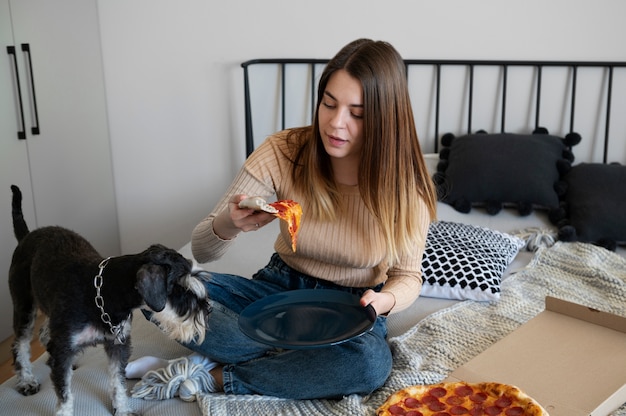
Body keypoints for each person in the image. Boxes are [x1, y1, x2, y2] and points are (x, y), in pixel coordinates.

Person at [127, 38, 437, 401]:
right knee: (154, 281)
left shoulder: (405, 185)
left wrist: (383, 302)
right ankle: (298, 362)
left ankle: (215, 376)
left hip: (353, 308)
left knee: (368, 364)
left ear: (385, 119)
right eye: (329, 104)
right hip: (276, 291)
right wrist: (229, 224)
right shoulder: (284, 151)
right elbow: (202, 250)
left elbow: (407, 278)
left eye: (357, 113)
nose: (336, 124)